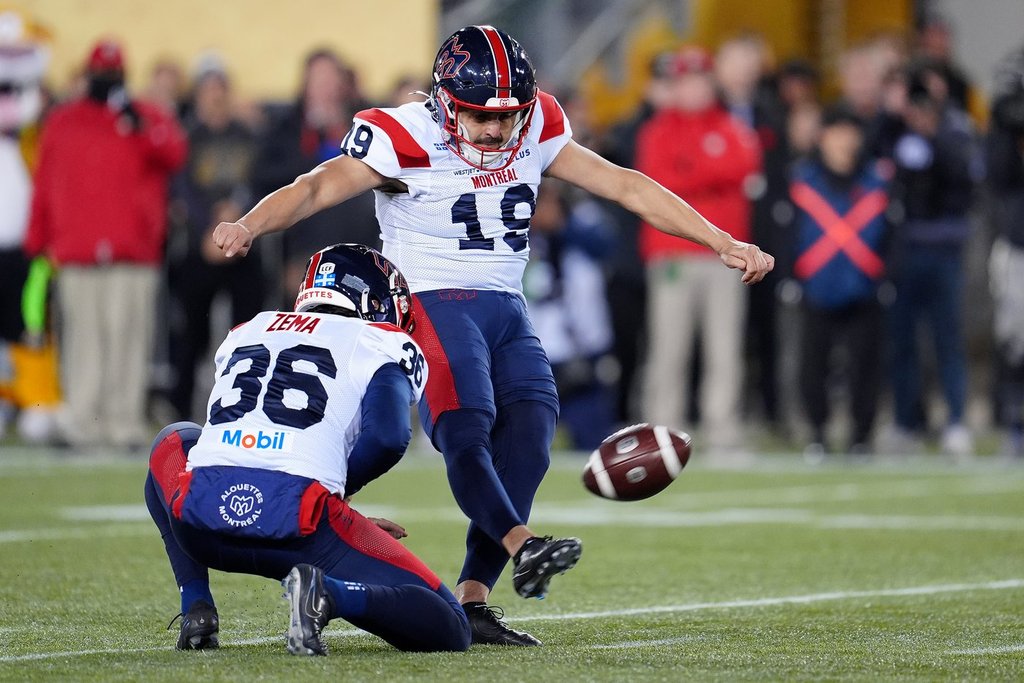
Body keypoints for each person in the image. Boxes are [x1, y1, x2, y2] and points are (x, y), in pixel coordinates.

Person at [212, 25, 774, 646]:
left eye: (507, 117)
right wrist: (248, 224)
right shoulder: (405, 134)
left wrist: (723, 240)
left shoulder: (536, 127)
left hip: (506, 301)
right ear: (445, 100)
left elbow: (625, 184)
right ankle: (522, 542)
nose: (496, 131)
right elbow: (315, 185)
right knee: (466, 424)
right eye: (481, 115)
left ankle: (474, 598)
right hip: (428, 298)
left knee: (531, 435)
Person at [145, 243, 471, 656]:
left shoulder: (246, 330)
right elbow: (389, 437)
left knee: (175, 438)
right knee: (451, 626)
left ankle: (197, 606)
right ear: (374, 298)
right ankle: (327, 596)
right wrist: (338, 497)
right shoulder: (378, 340)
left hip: (202, 522)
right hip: (299, 527)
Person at [25, 39, 187, 449]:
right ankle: (82, 422)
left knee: (127, 337)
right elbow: (44, 183)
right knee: (83, 339)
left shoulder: (144, 117)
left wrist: (138, 121)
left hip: (133, 250)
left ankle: (123, 424)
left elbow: (175, 154)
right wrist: (38, 241)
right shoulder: (63, 121)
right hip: (77, 249)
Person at [635, 46, 762, 450]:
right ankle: (661, 432)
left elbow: (744, 165)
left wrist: (693, 171)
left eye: (698, 80)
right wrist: (709, 175)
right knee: (668, 348)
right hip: (671, 253)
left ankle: (722, 429)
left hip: (724, 257)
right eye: (683, 81)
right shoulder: (656, 131)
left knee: (724, 347)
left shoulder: (730, 126)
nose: (691, 89)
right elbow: (658, 186)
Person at [165, 56, 264, 422]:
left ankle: (247, 407)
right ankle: (180, 410)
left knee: (248, 331)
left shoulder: (247, 135)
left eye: (219, 92)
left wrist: (235, 215)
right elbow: (180, 189)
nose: (214, 100)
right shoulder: (186, 137)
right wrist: (211, 225)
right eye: (208, 93)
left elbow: (260, 182)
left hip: (243, 246)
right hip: (199, 249)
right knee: (191, 336)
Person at [790, 107, 890, 458]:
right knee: (813, 364)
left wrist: (888, 275)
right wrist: (790, 276)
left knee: (865, 364)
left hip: (864, 285)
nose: (844, 141)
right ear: (823, 137)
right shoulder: (803, 179)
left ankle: (861, 435)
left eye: (850, 132)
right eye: (837, 131)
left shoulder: (877, 180)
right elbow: (787, 232)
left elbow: (893, 234)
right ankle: (817, 431)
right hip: (817, 285)